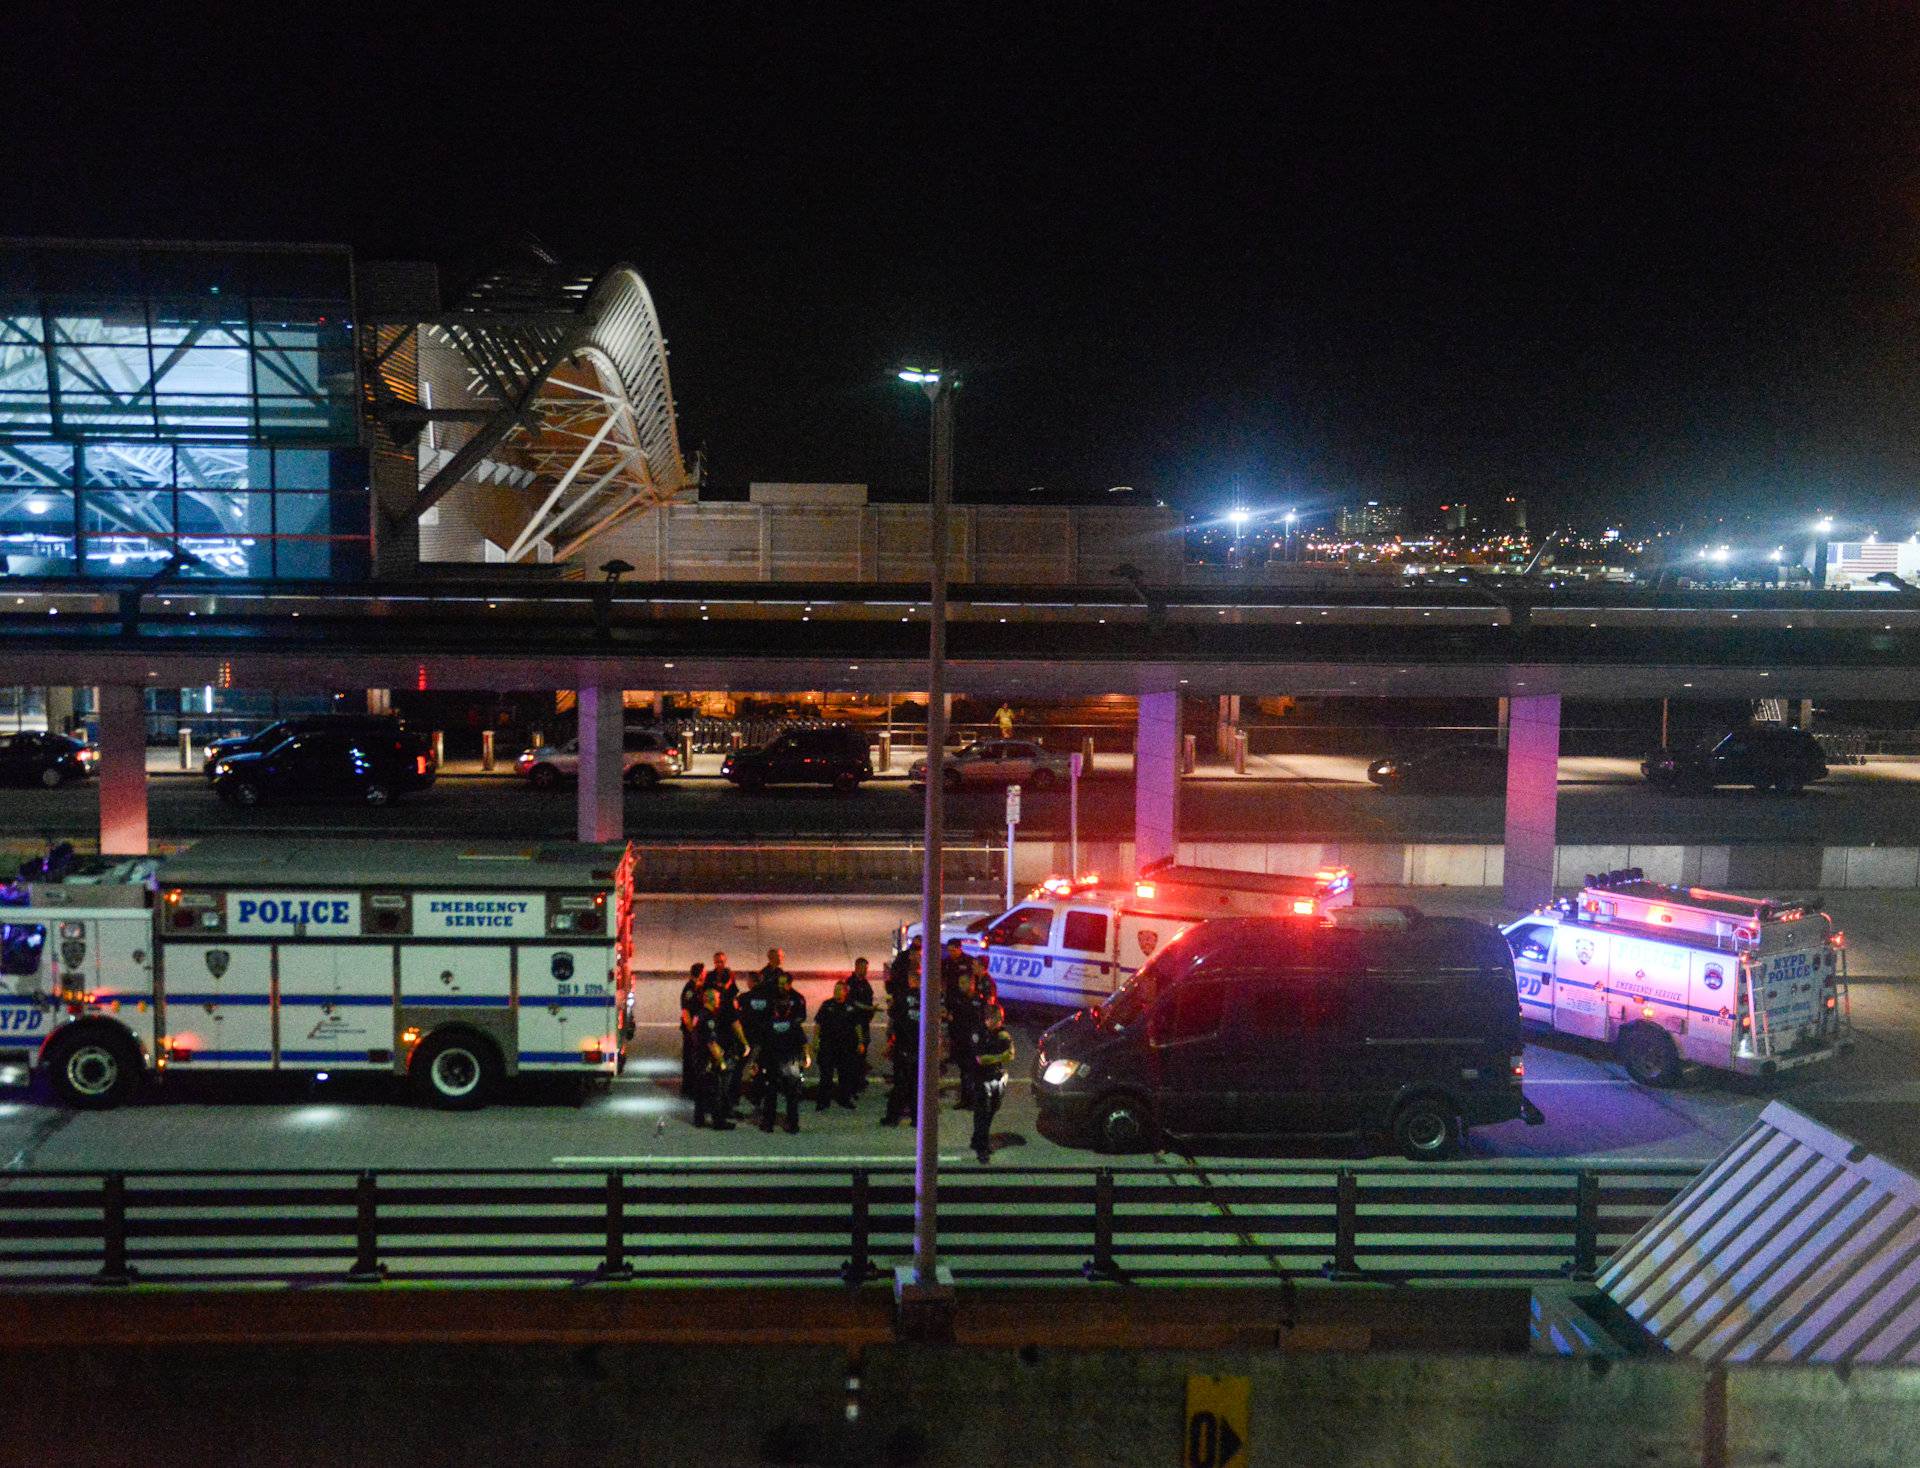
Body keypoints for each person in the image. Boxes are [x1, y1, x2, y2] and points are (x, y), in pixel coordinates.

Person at [760, 970, 810, 1134]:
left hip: (773, 1062)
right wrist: (807, 1057)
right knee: (792, 1096)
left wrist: (759, 1063)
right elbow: (803, 1042)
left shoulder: (769, 1024)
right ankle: (793, 1125)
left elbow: (764, 1045)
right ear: (788, 1009)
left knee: (771, 1094)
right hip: (791, 1063)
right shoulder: (794, 1024)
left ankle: (768, 1123)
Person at [966, 1001, 1016, 1163]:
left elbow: (1012, 1054)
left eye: (1001, 1018)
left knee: (993, 1109)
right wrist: (1000, 1056)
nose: (1000, 1022)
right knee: (982, 1111)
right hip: (981, 1077)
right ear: (988, 1019)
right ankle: (981, 1147)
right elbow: (981, 1059)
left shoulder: (1001, 1033)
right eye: (997, 1019)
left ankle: (977, 1139)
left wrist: (999, 1054)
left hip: (996, 1076)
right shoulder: (979, 1033)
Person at [689, 986, 736, 1131]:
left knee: (700, 1089)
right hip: (707, 1059)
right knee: (715, 1090)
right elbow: (711, 1042)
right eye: (716, 998)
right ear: (710, 1000)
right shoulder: (709, 1018)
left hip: (697, 1056)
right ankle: (718, 1121)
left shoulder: (698, 1015)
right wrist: (721, 1061)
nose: (719, 1001)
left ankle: (699, 1119)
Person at [813, 979, 863, 1110]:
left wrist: (860, 1042)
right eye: (835, 990)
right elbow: (818, 1024)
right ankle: (823, 1101)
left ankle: (844, 1099)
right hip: (828, 1045)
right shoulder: (827, 1005)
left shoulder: (851, 1007)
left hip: (846, 1046)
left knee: (845, 1074)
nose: (835, 992)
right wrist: (815, 1041)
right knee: (826, 1075)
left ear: (846, 992)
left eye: (839, 990)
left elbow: (857, 1026)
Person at [881, 967, 922, 1126]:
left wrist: (890, 1043)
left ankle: (892, 1118)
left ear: (910, 981)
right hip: (920, 1047)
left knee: (900, 1085)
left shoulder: (902, 997)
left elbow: (894, 1019)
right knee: (916, 1085)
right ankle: (916, 1118)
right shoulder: (928, 997)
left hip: (903, 1046)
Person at [737, 961, 779, 1109]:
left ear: (751, 982)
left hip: (748, 1037)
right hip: (764, 1037)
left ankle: (735, 1094)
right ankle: (758, 1095)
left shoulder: (744, 998)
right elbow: (773, 1015)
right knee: (761, 1066)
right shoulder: (769, 999)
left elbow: (736, 1014)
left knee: (739, 1066)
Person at [844, 957, 877, 1095]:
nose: (865, 970)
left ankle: (859, 1078)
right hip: (853, 1023)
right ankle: (852, 1080)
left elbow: (869, 1000)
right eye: (863, 967)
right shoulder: (850, 983)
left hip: (863, 1023)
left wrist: (870, 1011)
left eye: (866, 968)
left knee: (863, 1050)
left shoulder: (865, 983)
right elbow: (851, 1002)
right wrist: (867, 1008)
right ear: (857, 967)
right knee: (853, 1052)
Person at [678, 961, 706, 1093]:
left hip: (694, 1028)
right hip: (691, 1029)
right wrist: (691, 1029)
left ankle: (691, 1085)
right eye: (704, 972)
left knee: (693, 1058)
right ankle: (688, 1087)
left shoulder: (696, 987)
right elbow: (686, 1011)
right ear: (700, 973)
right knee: (690, 1058)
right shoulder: (690, 989)